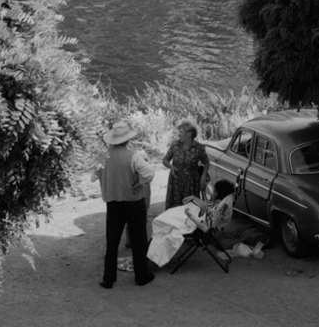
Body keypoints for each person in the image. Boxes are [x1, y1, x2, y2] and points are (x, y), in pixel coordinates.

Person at [94, 119, 155, 288]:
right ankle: (142, 276)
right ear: (127, 139)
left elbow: (94, 176)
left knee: (112, 241)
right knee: (138, 239)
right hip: (134, 202)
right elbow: (149, 173)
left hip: (113, 202)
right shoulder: (133, 156)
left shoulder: (102, 157)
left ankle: (108, 278)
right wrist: (140, 183)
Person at [147, 179, 235, 269]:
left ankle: (143, 259)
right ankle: (143, 257)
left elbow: (205, 228)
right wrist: (193, 198)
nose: (213, 193)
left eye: (215, 191)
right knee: (163, 227)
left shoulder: (220, 208)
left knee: (164, 232)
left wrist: (191, 217)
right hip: (196, 215)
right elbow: (208, 206)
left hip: (195, 223)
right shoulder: (221, 203)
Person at [162, 119, 209, 209]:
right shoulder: (175, 145)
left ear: (189, 134)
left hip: (191, 183)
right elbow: (165, 160)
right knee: (174, 209)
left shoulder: (199, 148)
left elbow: (206, 163)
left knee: (190, 208)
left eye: (181, 132)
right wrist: (171, 167)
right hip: (175, 182)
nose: (178, 134)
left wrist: (203, 177)